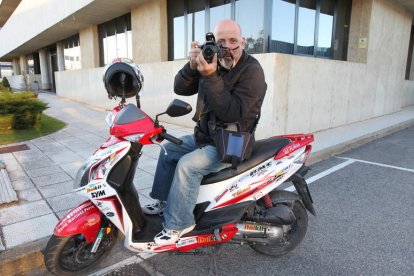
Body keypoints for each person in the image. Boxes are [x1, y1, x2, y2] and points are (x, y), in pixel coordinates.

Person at [143, 19, 267, 245]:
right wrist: (191, 66)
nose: (227, 47)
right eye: (221, 42)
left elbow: (232, 113)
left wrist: (210, 77)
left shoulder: (252, 72)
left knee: (188, 166)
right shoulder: (213, 60)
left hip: (233, 142)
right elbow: (180, 87)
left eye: (232, 41)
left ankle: (179, 224)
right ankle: (165, 201)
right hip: (208, 136)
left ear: (243, 41)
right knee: (169, 149)